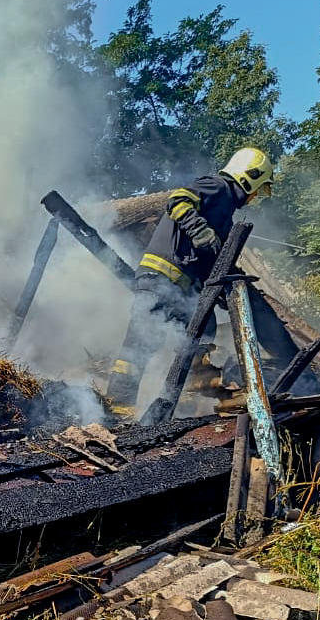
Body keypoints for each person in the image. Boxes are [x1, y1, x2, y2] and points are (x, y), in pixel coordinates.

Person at [105, 147, 275, 418]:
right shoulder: (217, 187)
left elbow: (208, 261)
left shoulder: (225, 214)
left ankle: (198, 385)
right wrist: (199, 229)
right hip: (160, 277)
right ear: (248, 177)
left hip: (180, 286)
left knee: (204, 325)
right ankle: (118, 410)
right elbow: (178, 200)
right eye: (258, 189)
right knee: (141, 343)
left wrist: (223, 287)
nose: (255, 197)